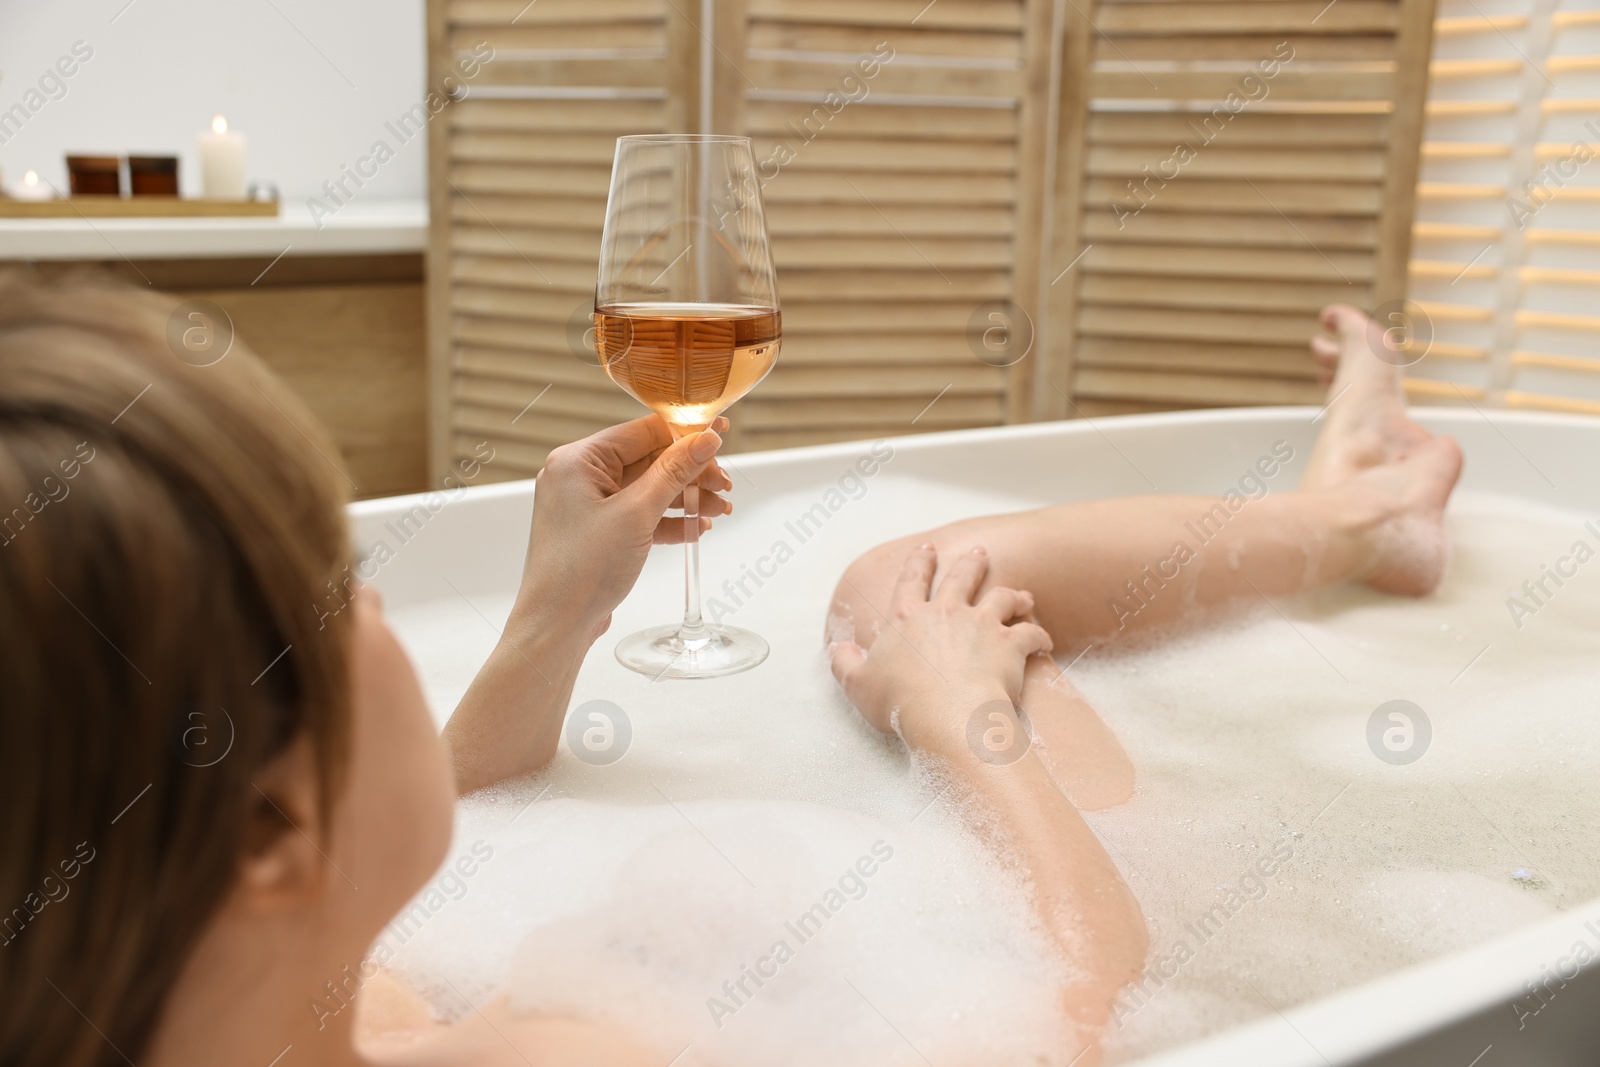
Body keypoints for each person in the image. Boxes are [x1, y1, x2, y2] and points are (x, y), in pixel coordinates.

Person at [0, 274, 1131, 1067]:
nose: (377, 600)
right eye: (335, 595)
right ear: (266, 830)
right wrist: (967, 722)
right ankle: (1322, 516)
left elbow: (378, 822)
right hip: (1050, 882)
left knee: (903, 583)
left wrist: (559, 607)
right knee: (930, 585)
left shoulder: (260, 984)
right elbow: (1084, 1006)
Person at [825, 305, 1465, 814]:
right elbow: (1113, 955)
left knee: (908, 597)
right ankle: (1363, 517)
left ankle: (1354, 514)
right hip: (1155, 870)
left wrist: (955, 699)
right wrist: (957, 705)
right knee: (905, 592)